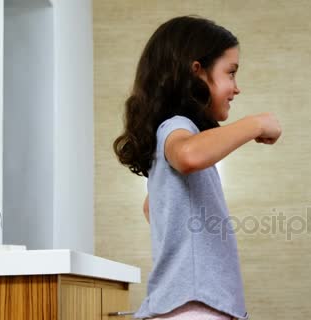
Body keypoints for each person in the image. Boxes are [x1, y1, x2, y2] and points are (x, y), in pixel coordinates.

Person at [113, 16, 281, 320]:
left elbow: (152, 206)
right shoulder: (177, 128)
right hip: (194, 306)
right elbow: (189, 155)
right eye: (230, 73)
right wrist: (256, 123)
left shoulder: (174, 133)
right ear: (197, 73)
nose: (236, 87)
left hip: (191, 303)